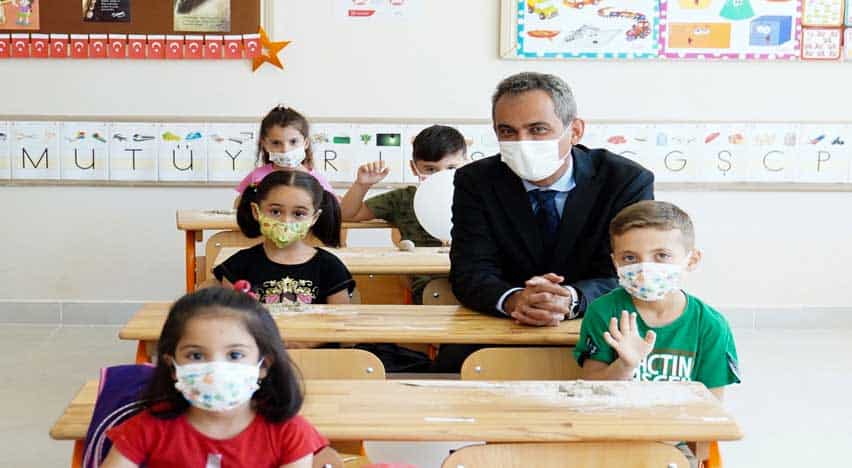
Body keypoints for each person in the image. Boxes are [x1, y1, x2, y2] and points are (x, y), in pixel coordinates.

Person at [442, 71, 654, 372]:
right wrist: (513, 300)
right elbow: (469, 270)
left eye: (538, 129)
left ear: (575, 131)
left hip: (598, 329)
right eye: (507, 131)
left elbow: (630, 270)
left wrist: (572, 299)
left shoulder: (625, 181)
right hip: (498, 329)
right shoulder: (475, 181)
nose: (522, 142)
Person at [574, 200, 741, 465]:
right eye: (630, 258)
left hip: (677, 443)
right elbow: (591, 390)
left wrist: (664, 438)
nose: (645, 269)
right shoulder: (603, 312)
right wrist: (625, 366)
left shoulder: (710, 325)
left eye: (661, 255)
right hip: (610, 437)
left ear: (691, 260)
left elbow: (711, 407)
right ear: (615, 262)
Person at [102, 287, 328, 467]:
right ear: (173, 367)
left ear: (264, 365)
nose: (216, 369)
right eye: (196, 355)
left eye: (235, 355)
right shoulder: (147, 428)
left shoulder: (290, 432)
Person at [340, 124, 468, 302]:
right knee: (436, 294)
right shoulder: (403, 198)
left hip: (470, 281)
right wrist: (362, 185)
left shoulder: (477, 197)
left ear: (466, 163)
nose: (441, 176)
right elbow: (348, 215)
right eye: (430, 169)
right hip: (425, 290)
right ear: (413, 167)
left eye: (451, 168)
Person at [215, 170, 353, 306]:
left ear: (314, 218)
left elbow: (340, 317)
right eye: (275, 211)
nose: (286, 221)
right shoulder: (239, 265)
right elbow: (228, 315)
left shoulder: (330, 267)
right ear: (256, 212)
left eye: (298, 214)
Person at [234, 106, 335, 208]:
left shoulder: (317, 180)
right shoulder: (256, 176)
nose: (285, 150)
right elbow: (239, 206)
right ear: (264, 144)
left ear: (306, 143)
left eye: (293, 142)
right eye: (276, 143)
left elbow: (331, 209)